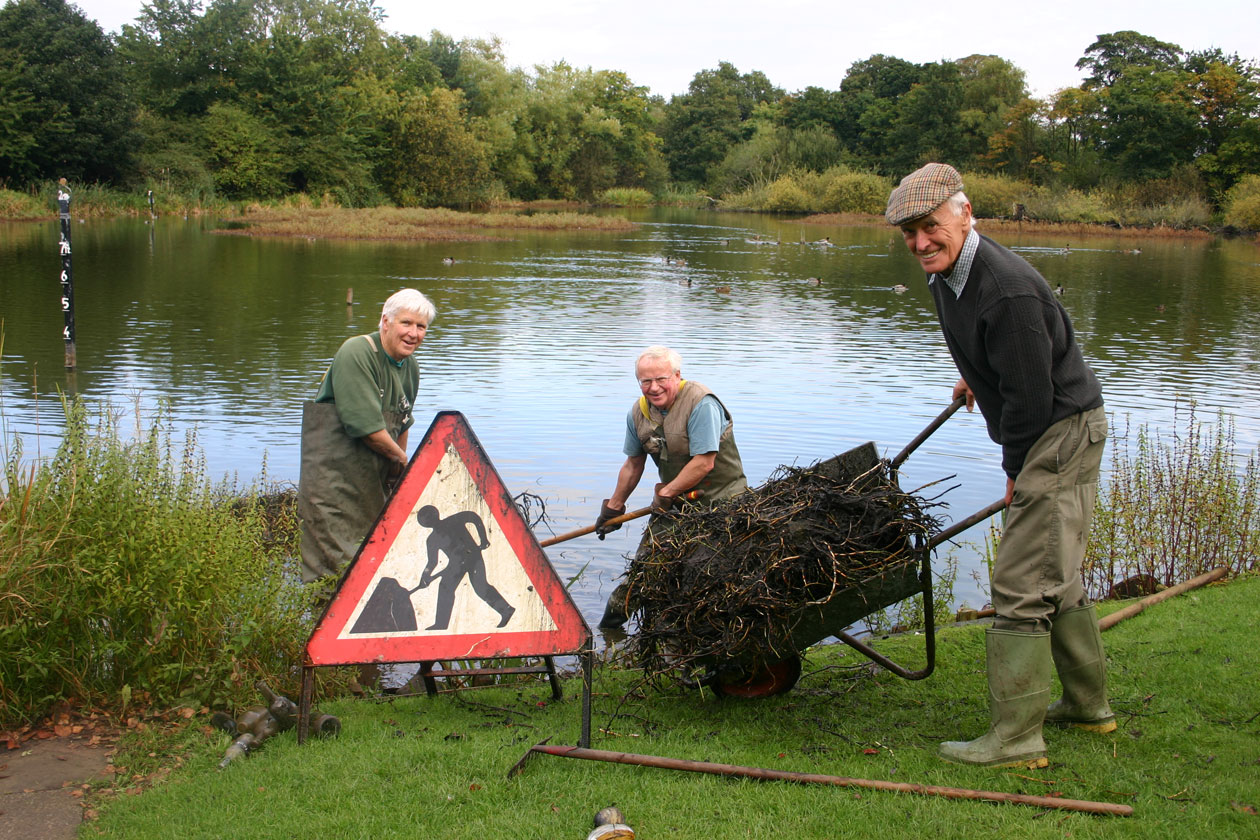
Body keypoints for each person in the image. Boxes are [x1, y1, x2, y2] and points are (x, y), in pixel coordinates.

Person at [885, 163, 1113, 769]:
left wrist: (1017, 472)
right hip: (1055, 424)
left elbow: (1032, 400)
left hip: (1056, 433)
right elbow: (1004, 351)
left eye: (930, 227)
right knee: (1056, 571)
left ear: (965, 214)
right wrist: (977, 376)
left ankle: (1016, 740)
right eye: (909, 232)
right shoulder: (949, 273)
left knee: (1021, 581)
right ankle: (1088, 706)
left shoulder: (1006, 288)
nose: (920, 243)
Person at [594, 345, 749, 628]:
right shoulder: (638, 413)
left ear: (677, 375)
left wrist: (665, 492)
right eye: (646, 381)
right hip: (675, 505)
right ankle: (606, 635)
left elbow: (704, 463)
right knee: (643, 573)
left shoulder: (702, 403)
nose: (653, 388)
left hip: (723, 504)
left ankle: (693, 634)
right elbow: (633, 464)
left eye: (661, 379)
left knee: (706, 577)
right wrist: (613, 508)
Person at [298, 288, 436, 584]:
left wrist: (398, 478)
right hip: (332, 489)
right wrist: (405, 464)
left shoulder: (410, 367)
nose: (413, 333)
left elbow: (402, 423)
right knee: (333, 577)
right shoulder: (357, 352)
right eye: (406, 323)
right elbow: (368, 430)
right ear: (385, 321)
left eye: (421, 326)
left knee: (376, 572)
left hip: (371, 488)